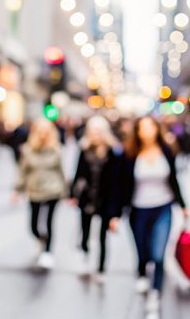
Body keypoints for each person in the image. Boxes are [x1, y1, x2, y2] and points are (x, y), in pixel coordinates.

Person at [110, 116, 188, 316]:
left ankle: (155, 294)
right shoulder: (128, 154)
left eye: (150, 127)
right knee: (142, 250)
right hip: (138, 210)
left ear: (156, 129)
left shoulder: (167, 151)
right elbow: (119, 186)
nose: (146, 132)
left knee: (159, 254)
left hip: (163, 208)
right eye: (142, 128)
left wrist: (183, 205)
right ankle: (142, 272)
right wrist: (115, 215)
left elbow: (174, 180)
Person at [69, 116, 121, 282]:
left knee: (102, 236)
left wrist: (116, 207)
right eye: (93, 131)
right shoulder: (84, 149)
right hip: (87, 197)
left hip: (104, 199)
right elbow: (78, 173)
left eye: (98, 131)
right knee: (84, 230)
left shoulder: (112, 151)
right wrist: (73, 194)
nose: (95, 135)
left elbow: (115, 180)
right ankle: (84, 256)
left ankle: (101, 267)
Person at [14, 119, 66, 270]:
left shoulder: (56, 149)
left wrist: (66, 191)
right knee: (33, 225)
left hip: (53, 189)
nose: (43, 135)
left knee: (49, 222)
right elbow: (22, 171)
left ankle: (48, 252)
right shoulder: (27, 150)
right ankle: (41, 240)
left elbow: (62, 171)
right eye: (40, 131)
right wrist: (17, 189)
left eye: (46, 132)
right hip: (34, 190)